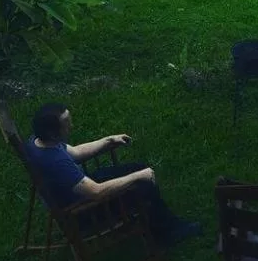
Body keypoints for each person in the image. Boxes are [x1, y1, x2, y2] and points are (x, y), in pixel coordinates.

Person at [25, 102, 200, 246]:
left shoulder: (38, 142)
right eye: (66, 124)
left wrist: (108, 141)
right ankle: (167, 234)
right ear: (52, 132)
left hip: (78, 191)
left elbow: (75, 152)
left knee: (138, 167)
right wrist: (138, 177)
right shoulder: (56, 162)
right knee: (143, 185)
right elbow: (96, 191)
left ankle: (161, 223)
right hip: (83, 210)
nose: (71, 126)